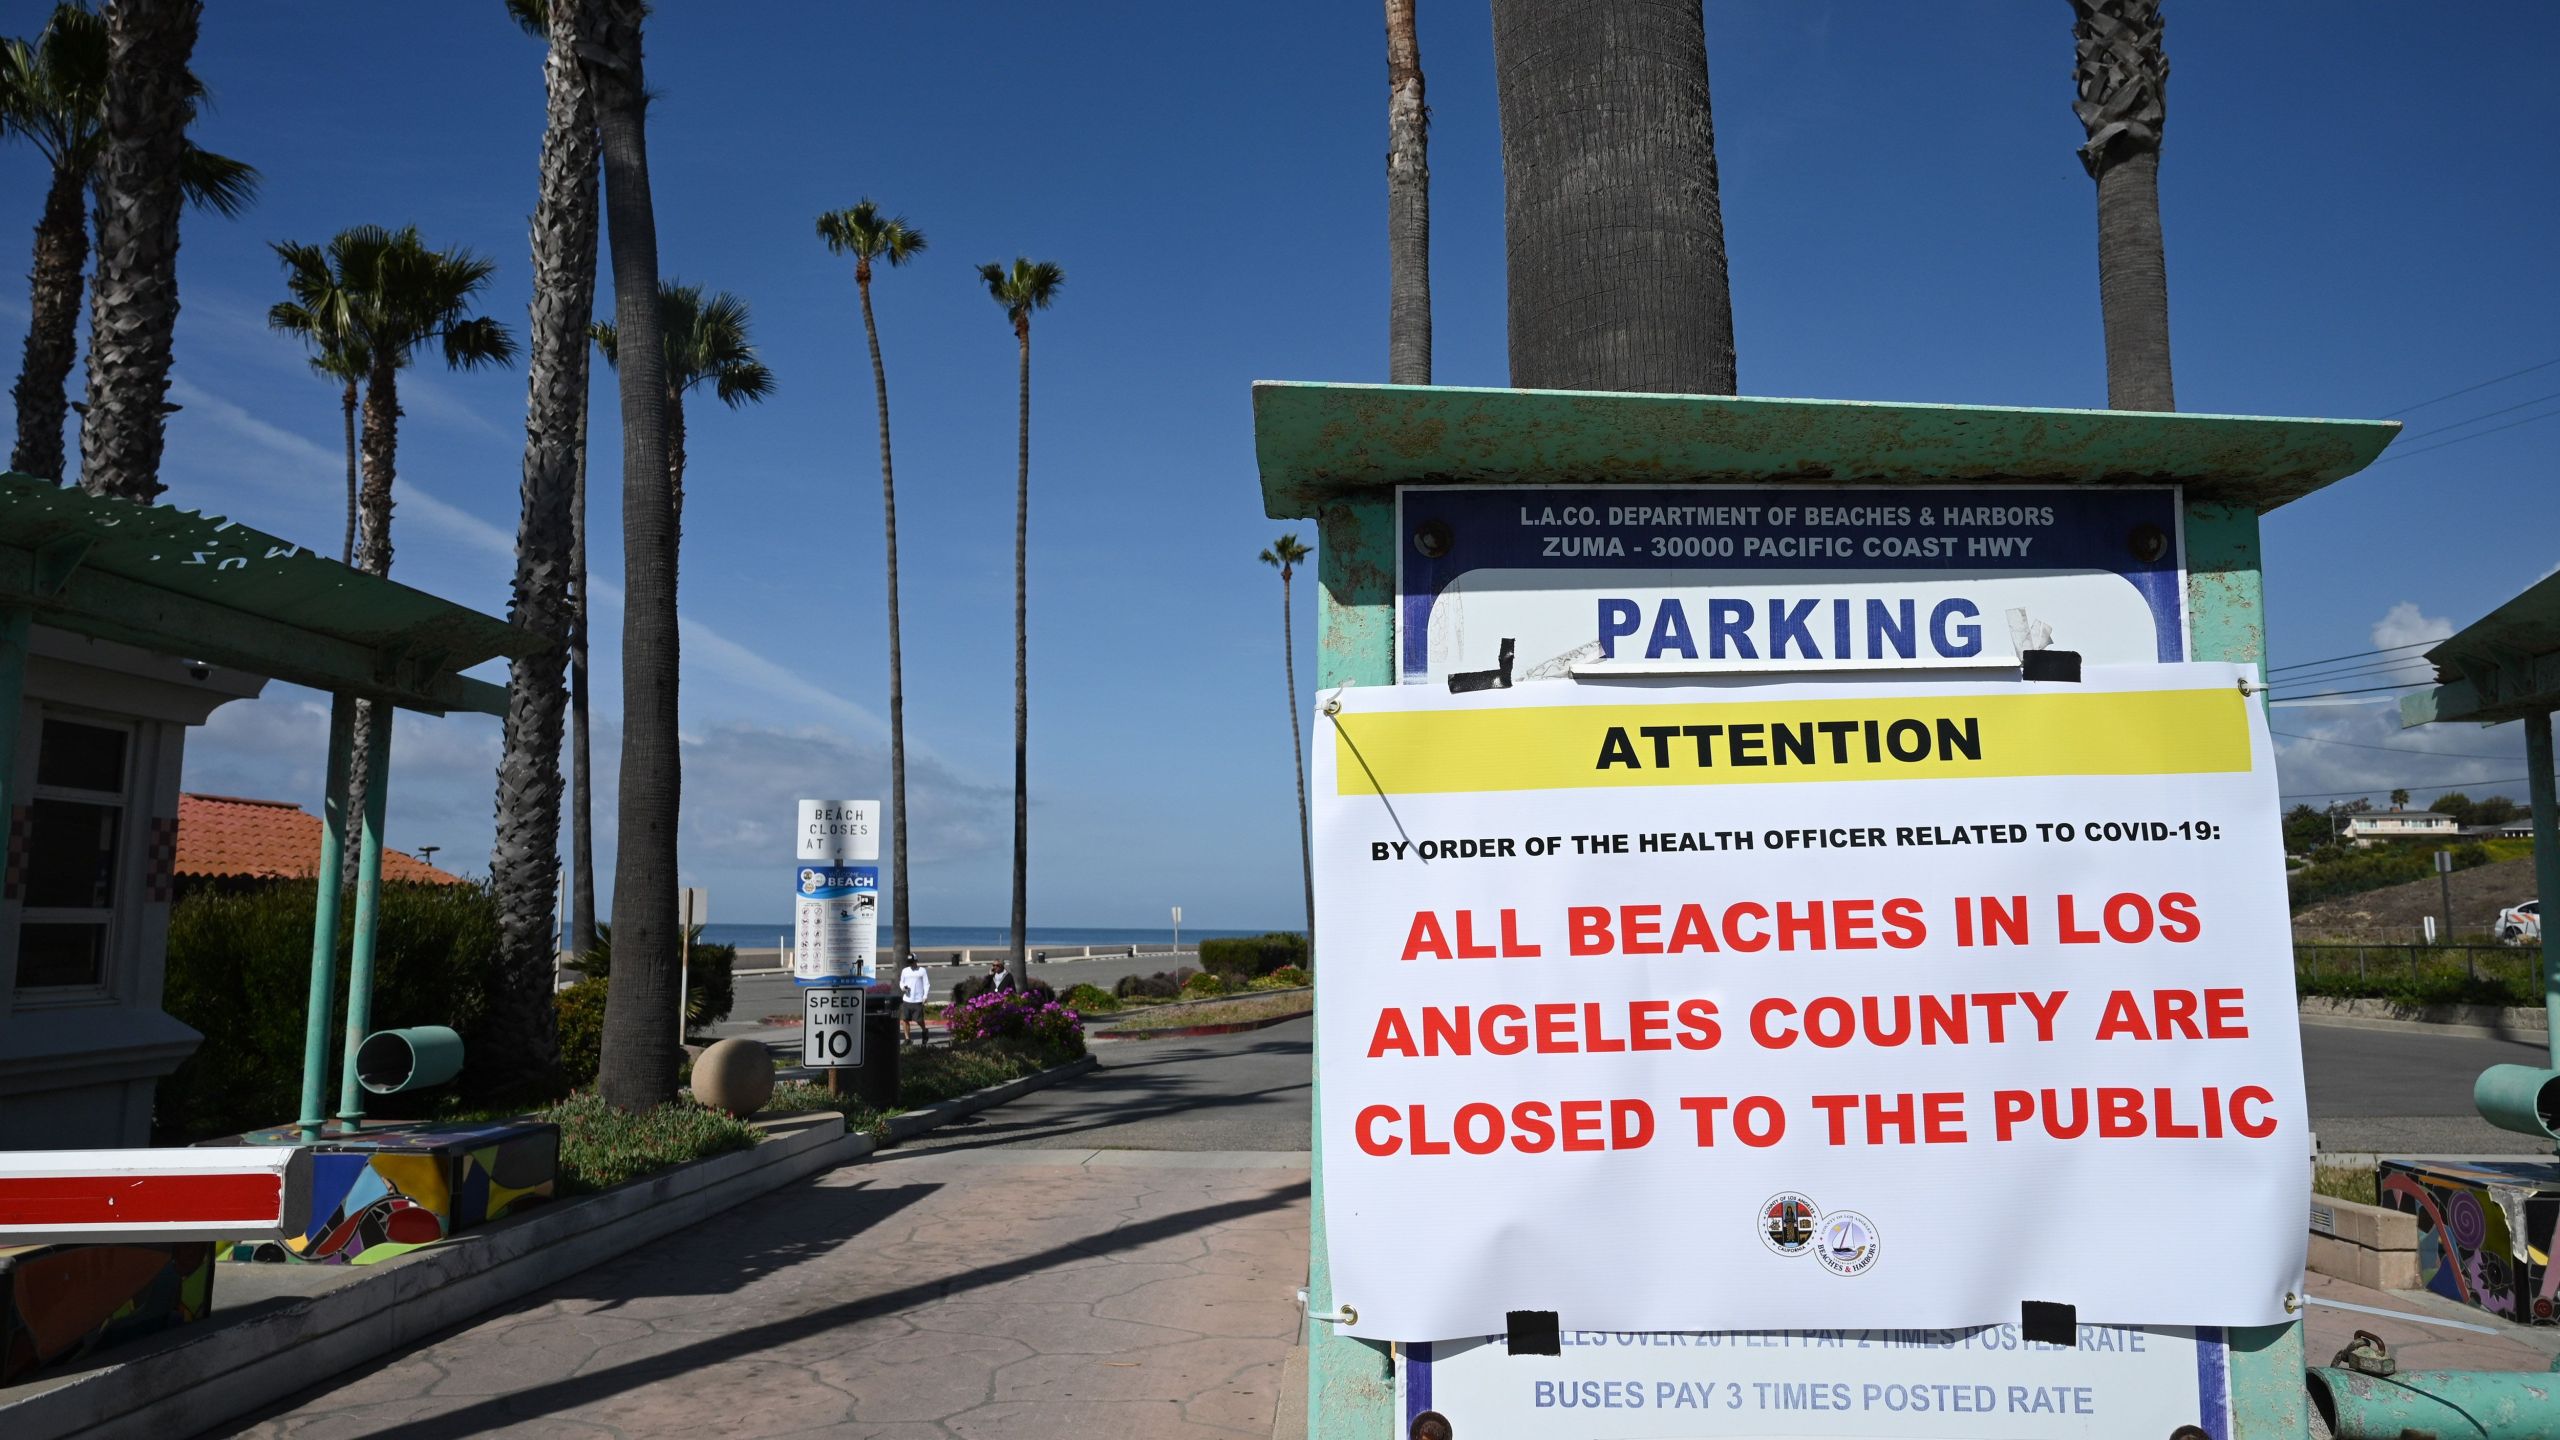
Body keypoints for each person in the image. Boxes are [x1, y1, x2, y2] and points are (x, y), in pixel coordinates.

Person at [898, 954, 933, 1045]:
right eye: (909, 962)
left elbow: (926, 984)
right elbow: (901, 982)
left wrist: (925, 996)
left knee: (919, 1020)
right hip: (907, 999)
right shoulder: (905, 971)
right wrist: (903, 988)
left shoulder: (922, 971)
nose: (911, 964)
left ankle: (925, 1031)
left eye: (912, 962)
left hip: (918, 1000)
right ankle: (907, 1039)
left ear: (916, 961)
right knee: (904, 1020)